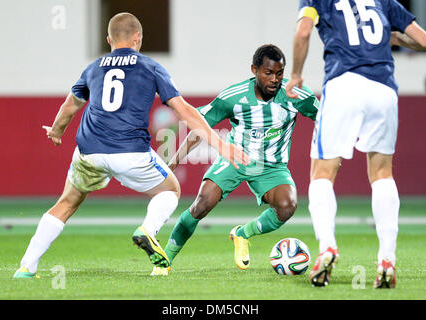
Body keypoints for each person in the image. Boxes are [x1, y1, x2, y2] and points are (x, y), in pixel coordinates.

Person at [13, 12, 249, 279]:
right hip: (129, 152)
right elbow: (183, 110)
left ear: (108, 40)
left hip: (89, 149)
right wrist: (221, 144)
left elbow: (71, 104)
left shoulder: (94, 68)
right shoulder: (150, 67)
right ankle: (148, 229)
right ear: (138, 38)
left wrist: (57, 131)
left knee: (66, 203)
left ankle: (26, 267)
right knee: (170, 190)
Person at [285, 0, 426, 288]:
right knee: (382, 175)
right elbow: (423, 41)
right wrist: (388, 36)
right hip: (384, 89)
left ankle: (327, 247)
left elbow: (303, 32)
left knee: (322, 173)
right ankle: (387, 259)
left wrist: (296, 75)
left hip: (344, 84)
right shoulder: (384, 2)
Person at [151, 44, 319, 276]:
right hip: (235, 158)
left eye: (279, 73)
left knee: (287, 206)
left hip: (272, 165)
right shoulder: (234, 96)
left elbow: (323, 118)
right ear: (254, 70)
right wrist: (175, 160)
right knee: (201, 206)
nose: (274, 79)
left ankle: (243, 234)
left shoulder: (295, 95)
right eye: (268, 73)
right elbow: (200, 125)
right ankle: (165, 260)